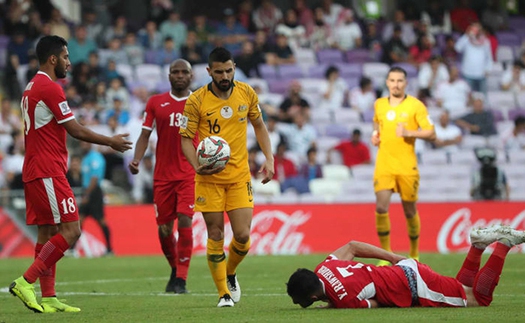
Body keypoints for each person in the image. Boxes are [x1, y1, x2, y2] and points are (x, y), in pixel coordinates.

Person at [9, 35, 132, 313]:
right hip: (48, 170)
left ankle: (49, 297)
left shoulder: (31, 87)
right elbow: (75, 129)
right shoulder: (49, 88)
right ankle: (26, 281)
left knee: (47, 232)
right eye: (65, 57)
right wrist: (110, 141)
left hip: (37, 169)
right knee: (72, 230)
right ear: (53, 59)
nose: (69, 62)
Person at [179, 47, 275, 307]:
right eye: (219, 71)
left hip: (239, 176)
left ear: (234, 68)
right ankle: (223, 294)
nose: (224, 75)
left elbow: (259, 125)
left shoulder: (247, 92)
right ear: (209, 71)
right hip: (208, 177)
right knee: (215, 233)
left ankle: (230, 272)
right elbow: (186, 140)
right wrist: (197, 165)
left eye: (229, 70)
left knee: (243, 235)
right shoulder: (196, 101)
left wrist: (269, 158)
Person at [287, 225, 525, 308]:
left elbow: (376, 303)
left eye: (300, 300)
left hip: (415, 287)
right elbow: (352, 245)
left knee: (479, 299)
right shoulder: (323, 267)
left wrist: (333, 305)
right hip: (403, 269)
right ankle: (477, 246)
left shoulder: (344, 300)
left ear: (312, 295)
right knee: (462, 288)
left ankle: (505, 243)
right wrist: (391, 257)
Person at [128, 59, 196, 294]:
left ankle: (182, 279)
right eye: (175, 72)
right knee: (165, 229)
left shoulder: (200, 102)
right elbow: (145, 135)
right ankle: (175, 269)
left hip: (189, 173)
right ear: (168, 76)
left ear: (191, 76)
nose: (179, 76)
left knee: (186, 219)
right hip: (163, 176)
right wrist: (137, 159)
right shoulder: (156, 102)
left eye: (183, 72)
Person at [371, 66, 436, 265]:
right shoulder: (379, 104)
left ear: (406, 83)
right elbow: (376, 124)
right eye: (392, 80)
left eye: (400, 81)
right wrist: (375, 135)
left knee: (409, 211)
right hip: (384, 164)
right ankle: (385, 255)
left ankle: (414, 253)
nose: (396, 84)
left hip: (407, 167)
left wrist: (409, 132)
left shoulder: (416, 106)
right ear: (387, 83)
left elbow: (431, 133)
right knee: (381, 207)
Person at [78, 141, 113, 256]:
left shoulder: (95, 158)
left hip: (94, 192)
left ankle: (109, 249)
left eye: (85, 143)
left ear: (90, 144)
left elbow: (95, 178)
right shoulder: (85, 158)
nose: (83, 145)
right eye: (82, 143)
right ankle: (72, 249)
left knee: (101, 220)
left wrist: (87, 194)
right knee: (79, 221)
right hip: (86, 191)